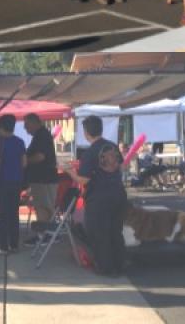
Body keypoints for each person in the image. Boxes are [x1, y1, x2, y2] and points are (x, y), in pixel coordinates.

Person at [76, 116, 127, 276]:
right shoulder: (111, 146)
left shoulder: (90, 152)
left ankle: (106, 268)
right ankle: (120, 264)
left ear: (85, 132)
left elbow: (83, 179)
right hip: (118, 193)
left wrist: (70, 172)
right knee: (115, 231)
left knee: (100, 233)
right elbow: (122, 166)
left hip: (99, 197)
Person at [0, 113, 27, 255]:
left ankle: (3, 247)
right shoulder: (20, 142)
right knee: (14, 214)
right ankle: (14, 245)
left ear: (2, 127)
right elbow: (24, 163)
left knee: (3, 214)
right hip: (16, 182)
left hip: (3, 182)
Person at [23, 113, 58, 238]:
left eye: (27, 125)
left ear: (34, 123)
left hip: (44, 178)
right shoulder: (40, 135)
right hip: (41, 178)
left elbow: (40, 156)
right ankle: (43, 235)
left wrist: (25, 161)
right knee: (41, 206)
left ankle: (45, 235)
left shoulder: (42, 135)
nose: (25, 129)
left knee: (44, 206)